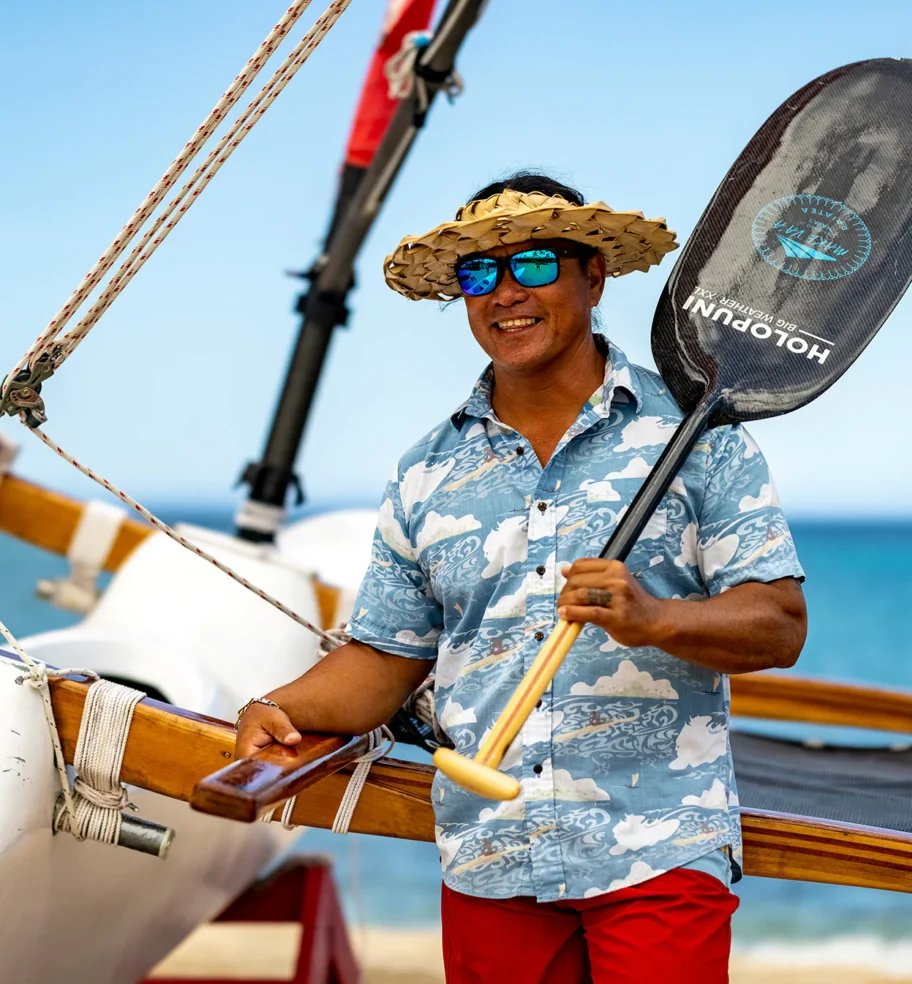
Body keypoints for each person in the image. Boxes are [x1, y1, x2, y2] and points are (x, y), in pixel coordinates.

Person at [236, 172, 807, 983]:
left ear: (593, 277)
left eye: (535, 264)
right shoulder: (426, 473)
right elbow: (386, 659)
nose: (506, 293)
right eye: (480, 273)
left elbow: (779, 624)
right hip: (492, 859)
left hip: (655, 851)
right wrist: (278, 707)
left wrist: (655, 619)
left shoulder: (695, 435)